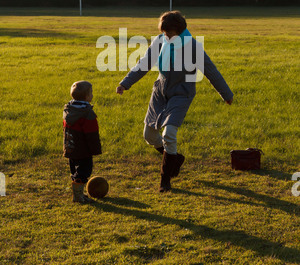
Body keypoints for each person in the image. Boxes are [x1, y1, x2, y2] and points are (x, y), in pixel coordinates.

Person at [116, 11, 233, 193]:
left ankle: (165, 178)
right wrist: (125, 83)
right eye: (164, 33)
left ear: (179, 31)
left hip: (182, 93)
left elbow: (211, 71)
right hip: (160, 92)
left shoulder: (192, 46)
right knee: (149, 136)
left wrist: (226, 94)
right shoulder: (160, 41)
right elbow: (144, 63)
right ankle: (175, 159)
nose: (166, 36)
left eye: (169, 33)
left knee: (169, 133)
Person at [63, 80, 102, 203]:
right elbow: (92, 134)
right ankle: (78, 196)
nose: (92, 95)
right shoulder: (87, 114)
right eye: (91, 93)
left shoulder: (69, 110)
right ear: (87, 96)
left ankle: (78, 193)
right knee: (84, 170)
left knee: (75, 170)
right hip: (83, 149)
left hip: (70, 146)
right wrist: (95, 149)